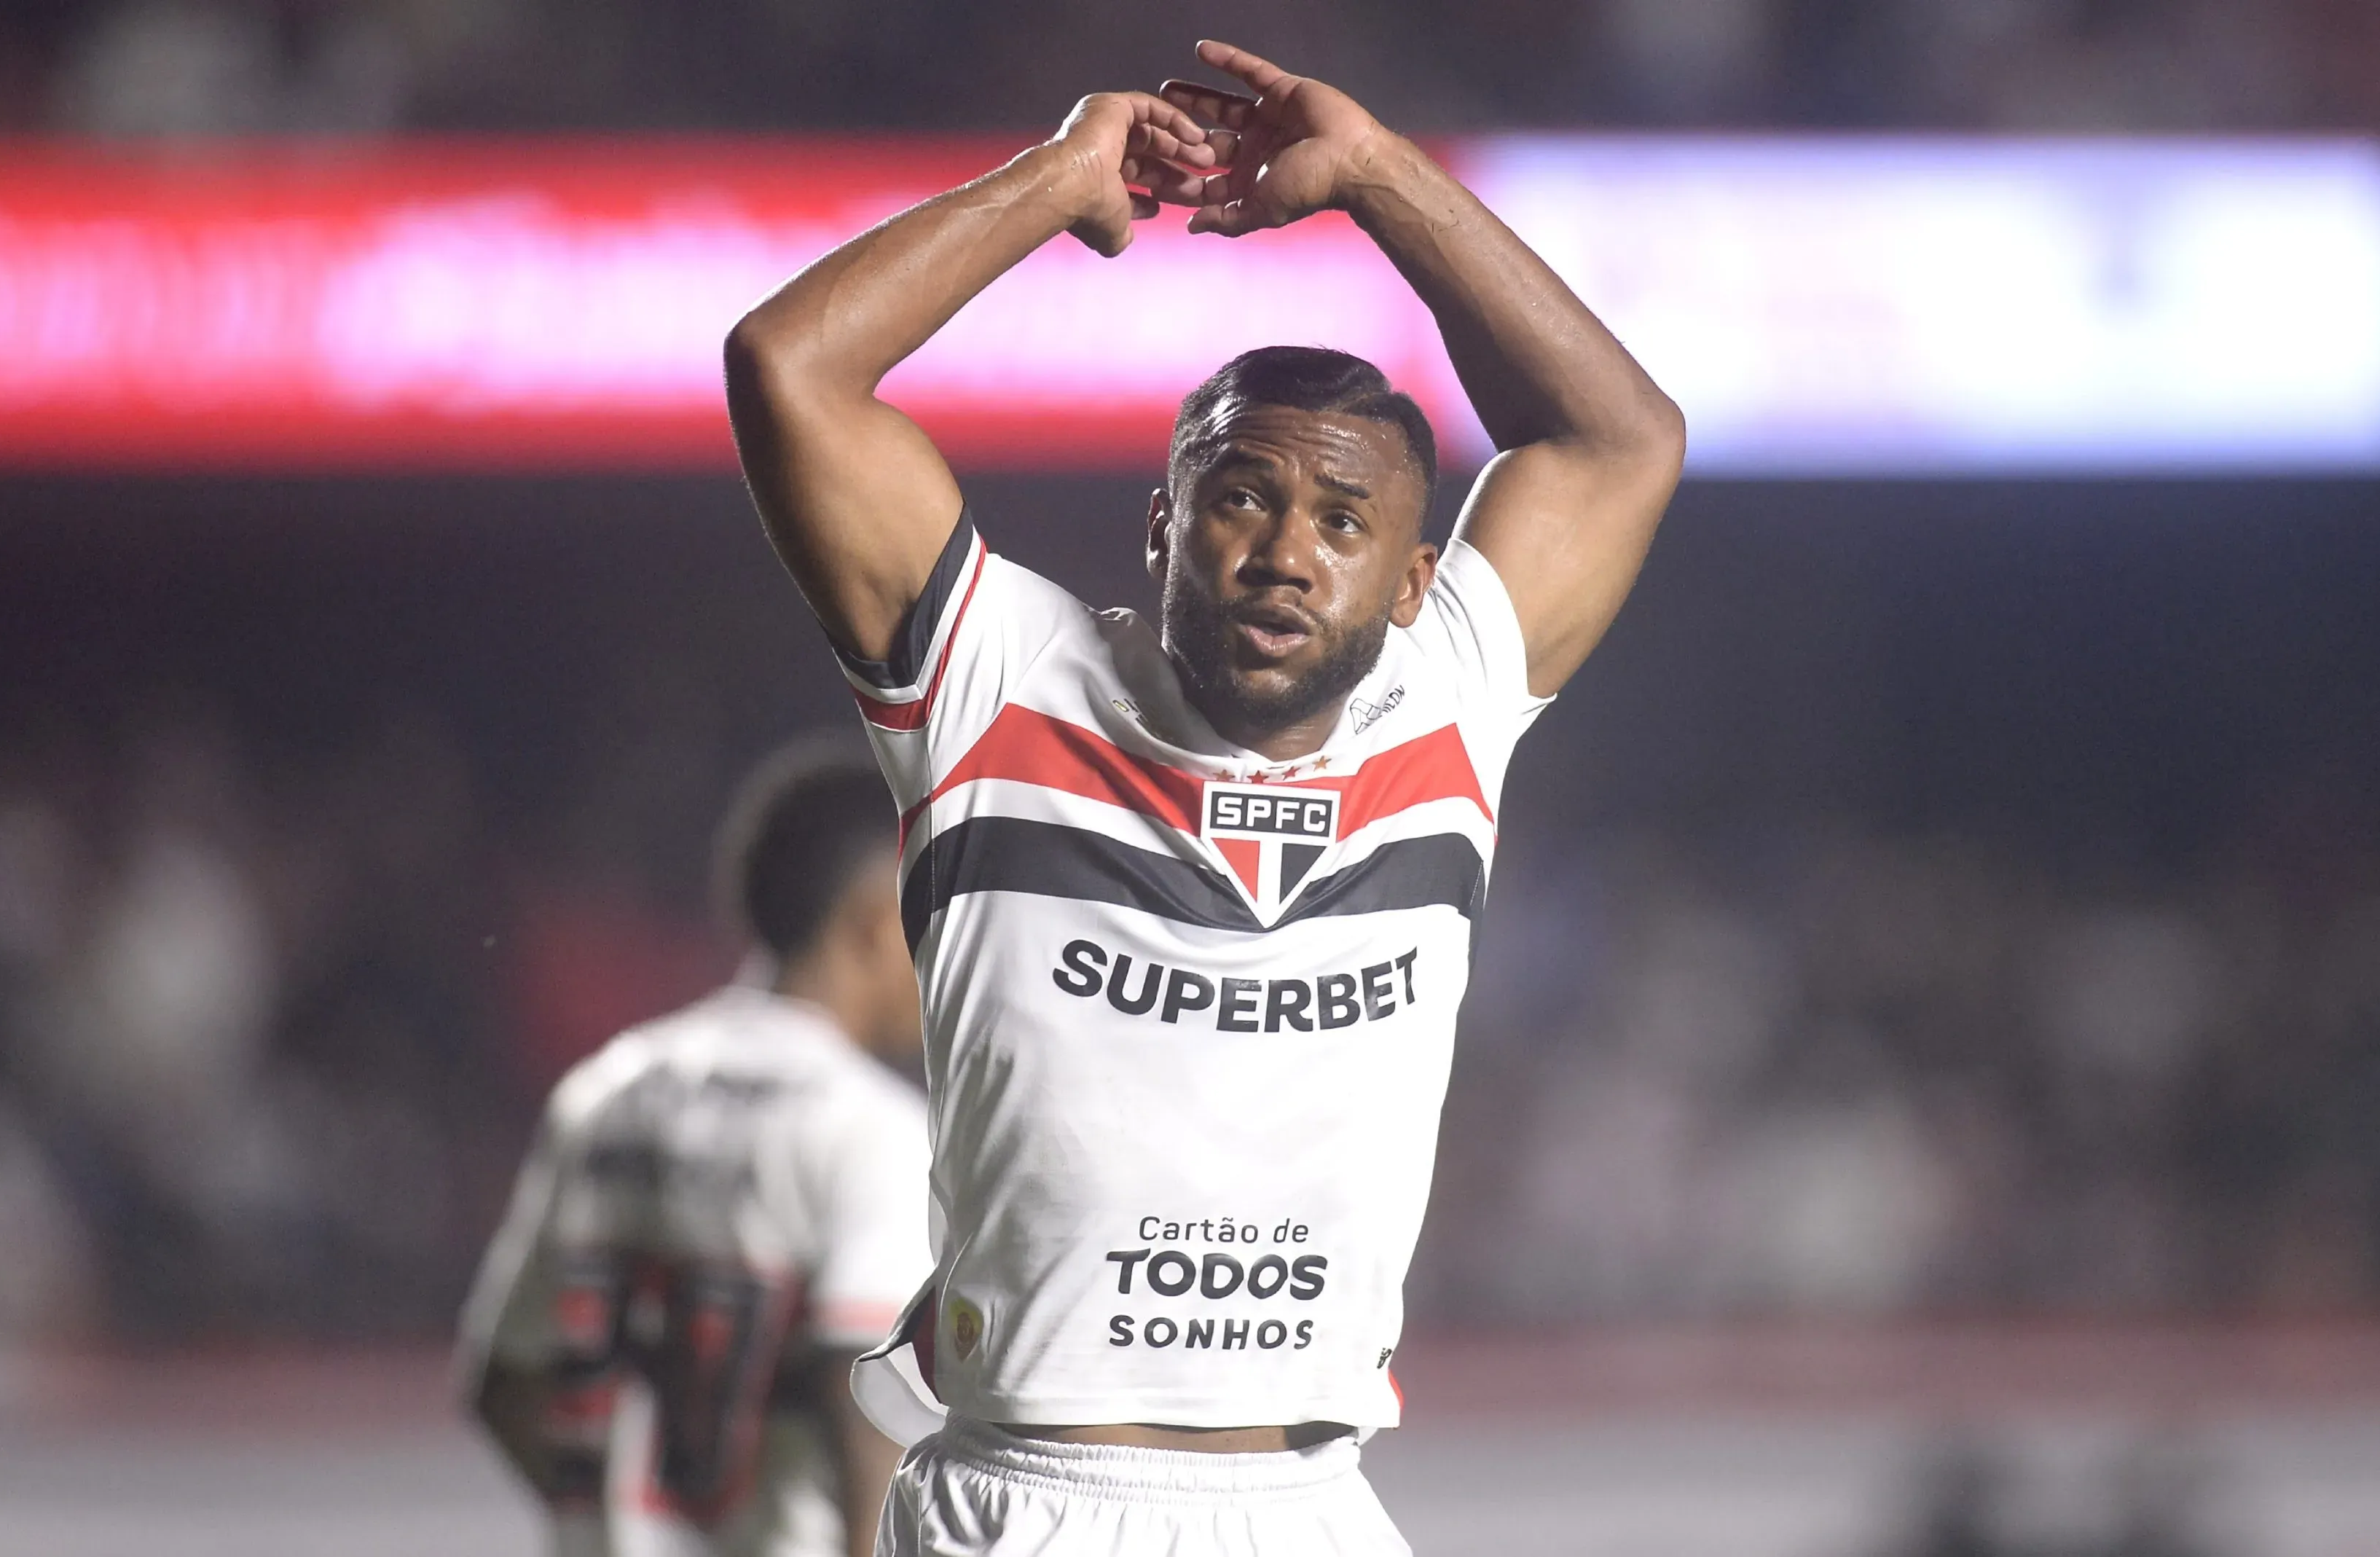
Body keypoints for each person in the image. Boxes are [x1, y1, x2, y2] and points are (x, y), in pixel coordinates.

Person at [724, 37, 1685, 1555]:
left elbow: (1622, 438)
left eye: (1343, 517)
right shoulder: (998, 681)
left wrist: (1377, 173)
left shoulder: (1448, 696)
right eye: (1242, 496)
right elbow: (787, 366)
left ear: (1414, 575)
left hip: (1311, 1505)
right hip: (1032, 1499)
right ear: (1162, 526)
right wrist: (1053, 183)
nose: (1285, 549)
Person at [457, 745, 933, 1557]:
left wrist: (633, 1514)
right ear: (868, 917)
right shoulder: (866, 1126)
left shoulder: (607, 1089)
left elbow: (504, 1382)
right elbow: (864, 1394)